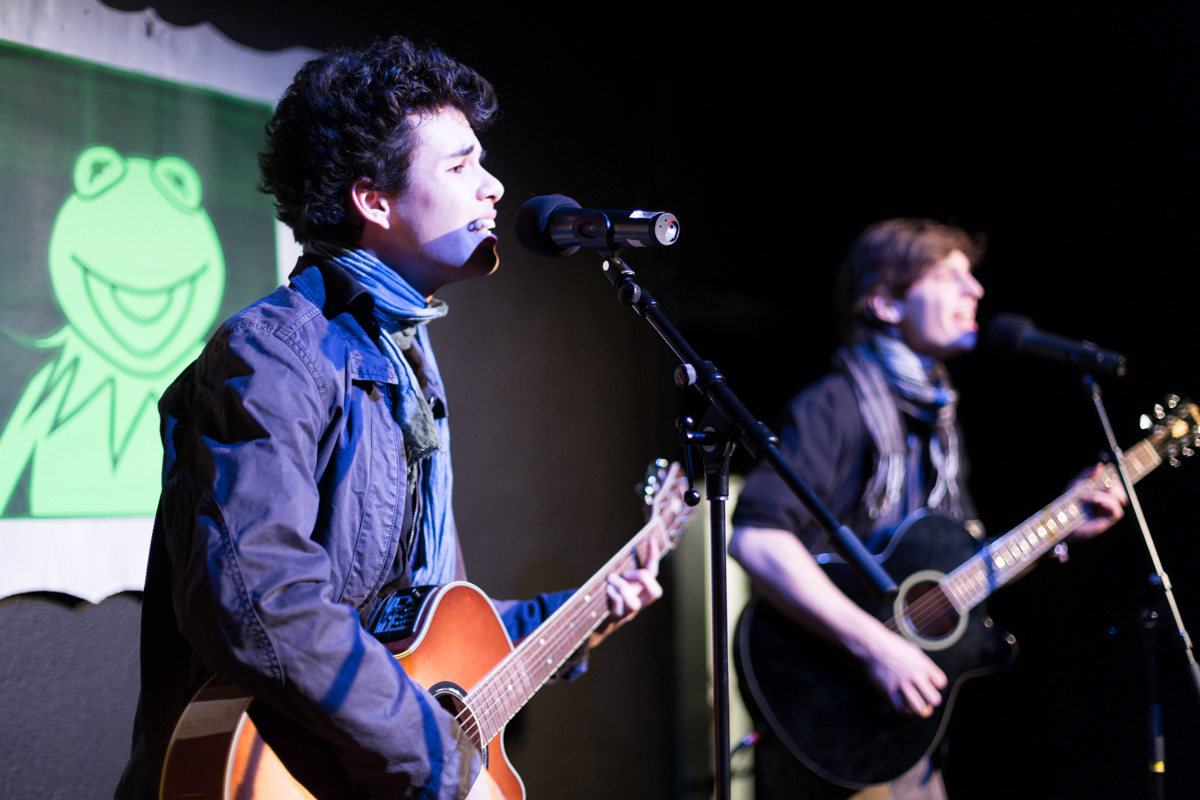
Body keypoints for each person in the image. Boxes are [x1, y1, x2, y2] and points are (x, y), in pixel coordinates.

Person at [115, 36, 661, 800]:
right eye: (460, 166)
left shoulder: (406, 358)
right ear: (373, 200)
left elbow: (421, 636)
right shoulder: (272, 354)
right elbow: (263, 599)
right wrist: (442, 765)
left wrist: (583, 615)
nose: (494, 186)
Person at [727, 218, 1127, 800]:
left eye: (972, 276)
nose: (976, 290)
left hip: (905, 739)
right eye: (948, 276)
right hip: (831, 712)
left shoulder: (939, 423)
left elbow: (962, 574)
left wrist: (1063, 525)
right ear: (885, 302)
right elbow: (756, 538)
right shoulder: (833, 406)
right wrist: (877, 645)